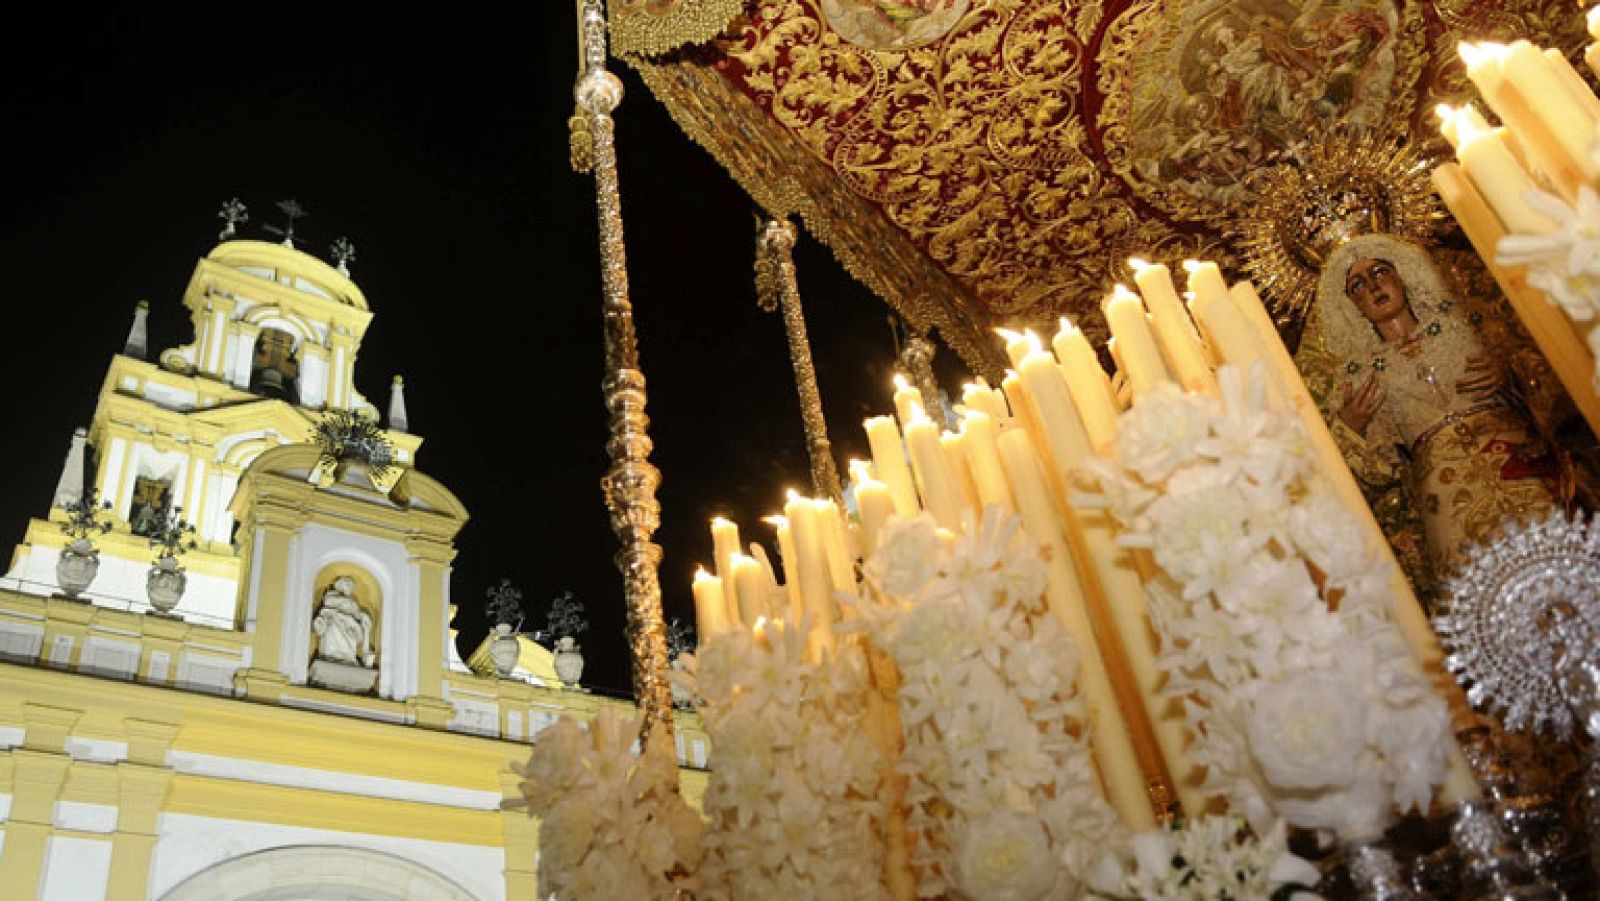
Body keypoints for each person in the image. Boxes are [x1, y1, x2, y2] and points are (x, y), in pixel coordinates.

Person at [1304, 234, 1564, 587]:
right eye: (1357, 285)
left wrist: (1507, 371)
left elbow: (1547, 363)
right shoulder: (1359, 375)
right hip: (1446, 493)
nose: (1373, 286)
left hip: (1517, 457)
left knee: (1561, 547)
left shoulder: (1465, 321)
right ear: (1352, 305)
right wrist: (1352, 426)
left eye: (1380, 271)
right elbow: (1377, 473)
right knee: (1484, 586)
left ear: (1402, 275)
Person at [312, 576, 374, 667]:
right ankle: (331, 655)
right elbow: (328, 602)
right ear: (339, 586)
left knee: (351, 636)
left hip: (349, 625)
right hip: (335, 620)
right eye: (347, 584)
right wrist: (345, 604)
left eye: (351, 586)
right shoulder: (331, 595)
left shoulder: (352, 602)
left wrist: (363, 616)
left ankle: (348, 658)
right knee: (334, 630)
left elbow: (357, 614)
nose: (349, 587)